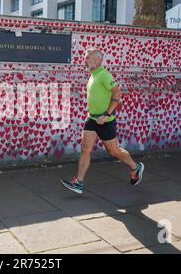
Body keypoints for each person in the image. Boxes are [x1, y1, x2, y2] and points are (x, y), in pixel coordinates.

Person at [61, 48, 144, 194]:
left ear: (98, 60)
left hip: (106, 120)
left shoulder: (104, 75)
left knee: (113, 151)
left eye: (87, 58)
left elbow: (117, 92)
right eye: (85, 58)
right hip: (92, 118)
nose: (84, 60)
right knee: (85, 149)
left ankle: (135, 167)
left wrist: (106, 114)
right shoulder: (93, 75)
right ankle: (79, 183)